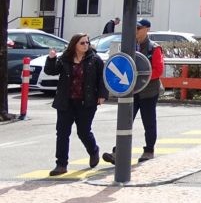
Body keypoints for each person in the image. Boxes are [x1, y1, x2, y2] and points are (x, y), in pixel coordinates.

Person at [102, 19, 164, 165]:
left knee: (148, 122)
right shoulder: (128, 46)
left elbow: (158, 70)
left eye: (139, 28)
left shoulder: (154, 48)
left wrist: (138, 76)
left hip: (149, 91)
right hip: (131, 91)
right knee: (125, 121)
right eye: (134, 27)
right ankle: (118, 152)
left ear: (147, 29)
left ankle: (149, 150)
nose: (135, 30)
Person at [45, 34, 107, 176]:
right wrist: (51, 58)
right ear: (74, 45)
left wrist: (102, 95)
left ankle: (93, 150)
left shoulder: (94, 59)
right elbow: (51, 71)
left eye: (87, 42)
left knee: (83, 131)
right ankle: (61, 164)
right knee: (62, 132)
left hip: (87, 102)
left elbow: (101, 78)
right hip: (66, 101)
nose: (86, 45)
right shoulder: (65, 59)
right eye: (82, 43)